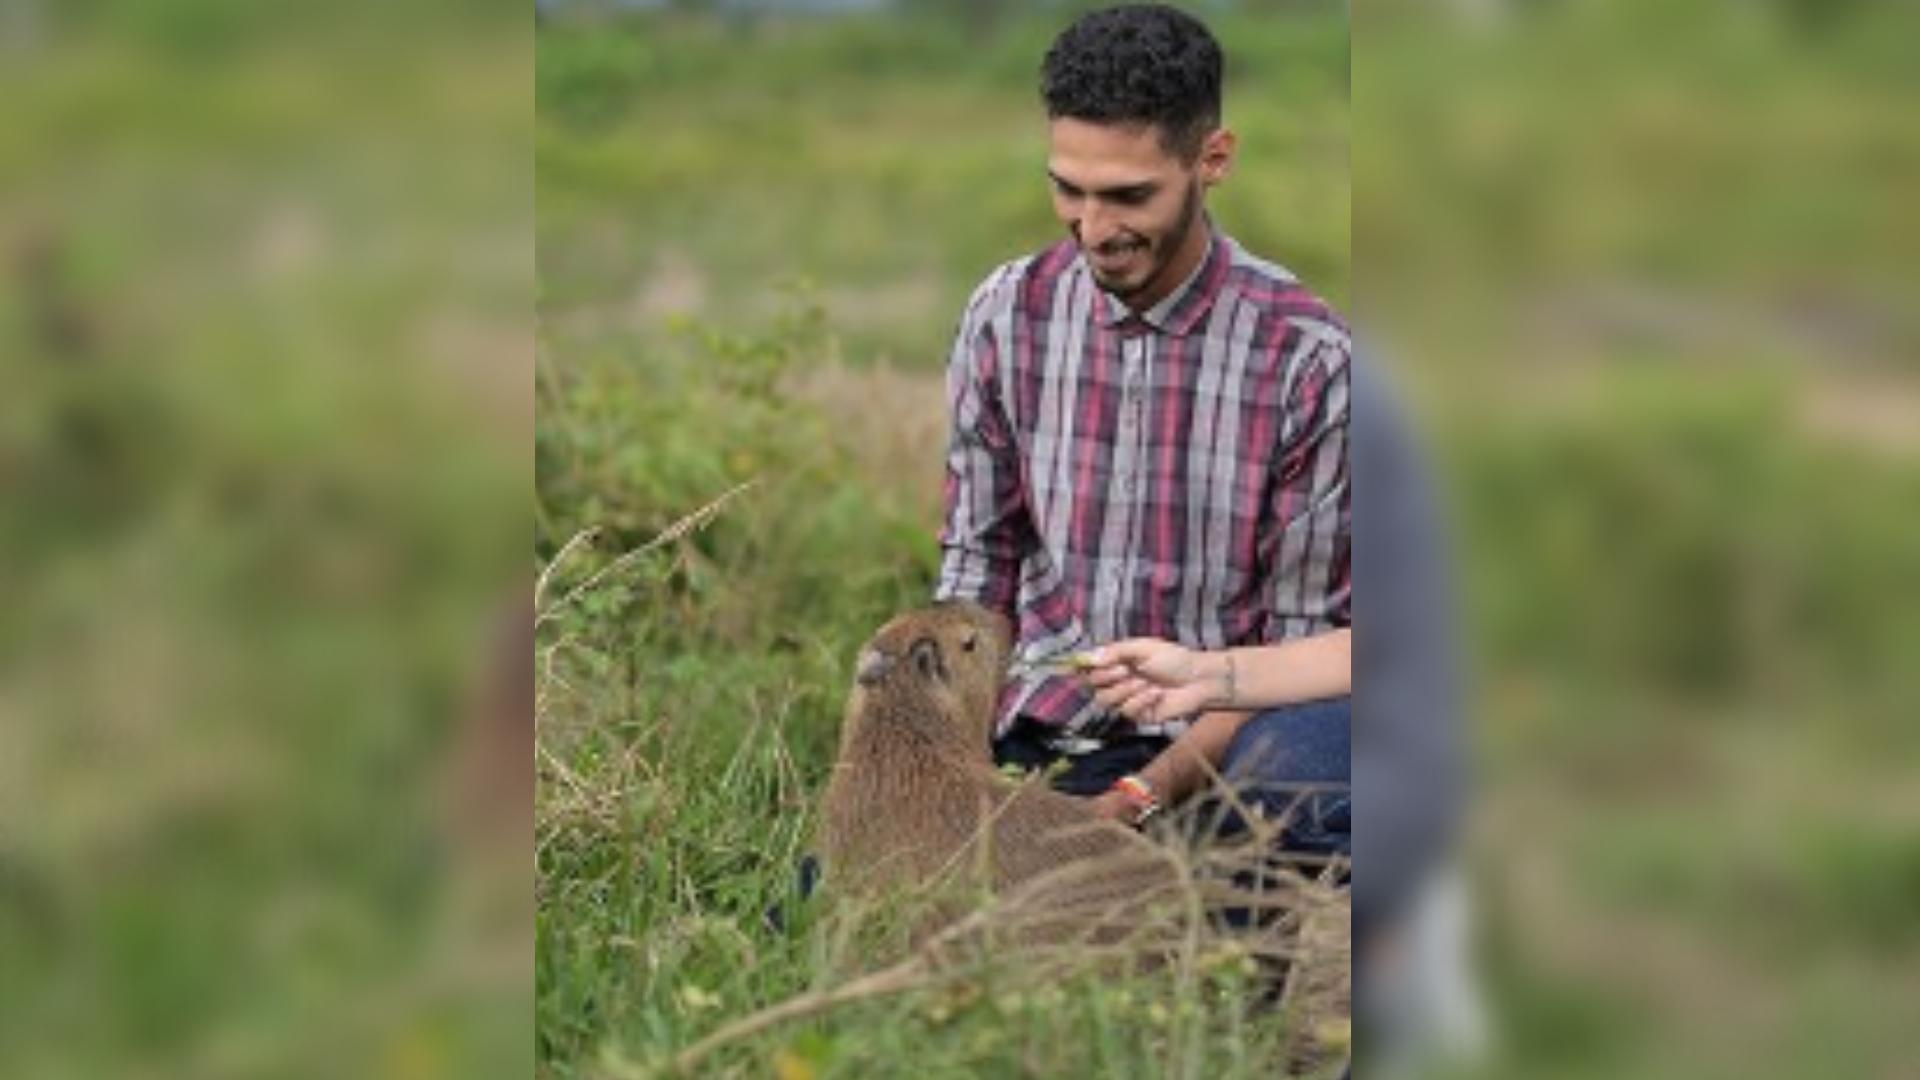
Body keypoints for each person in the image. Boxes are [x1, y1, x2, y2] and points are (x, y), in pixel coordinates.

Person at [933, 3, 1350, 856]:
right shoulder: (1007, 315)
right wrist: (954, 768)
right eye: (1067, 189)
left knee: (1306, 798)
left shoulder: (1307, 361)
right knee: (827, 904)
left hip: (1224, 743)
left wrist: (1141, 794)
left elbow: (1301, 650)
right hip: (1038, 731)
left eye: (1129, 196)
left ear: (1213, 160)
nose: (1093, 230)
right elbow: (977, 568)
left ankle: (1238, 916)